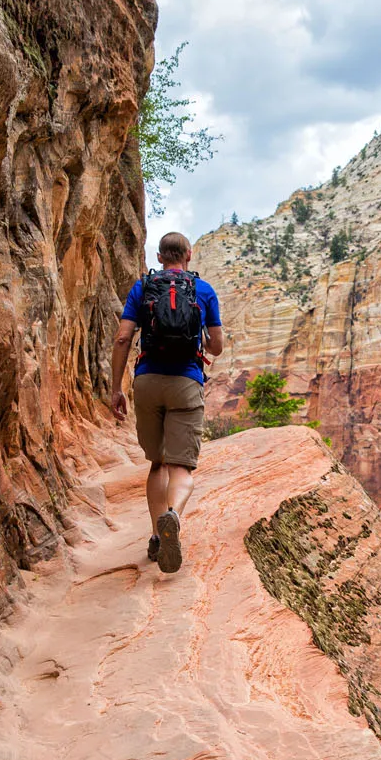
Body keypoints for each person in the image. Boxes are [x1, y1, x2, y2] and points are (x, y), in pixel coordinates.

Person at [109, 231, 223, 573]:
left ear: (159, 257)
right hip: (186, 381)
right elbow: (216, 347)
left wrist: (117, 387)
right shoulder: (203, 291)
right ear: (188, 255)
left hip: (147, 382)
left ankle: (158, 533)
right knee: (181, 467)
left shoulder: (142, 288)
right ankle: (173, 514)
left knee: (157, 463)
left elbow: (122, 338)